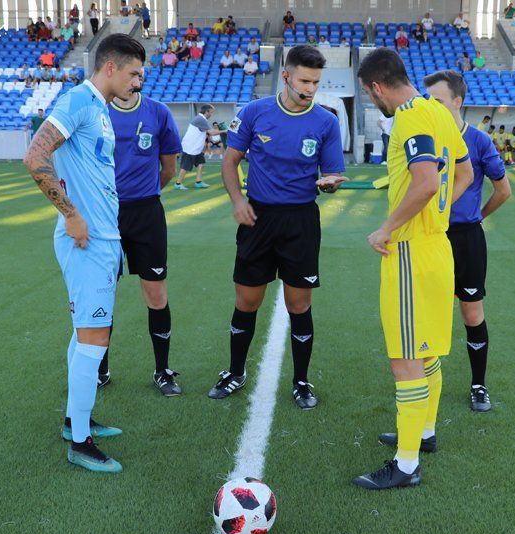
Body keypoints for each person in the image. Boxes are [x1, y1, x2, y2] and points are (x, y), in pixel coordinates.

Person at [22, 33, 145, 474]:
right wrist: (71, 214)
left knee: (87, 334)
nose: (138, 82)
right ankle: (80, 443)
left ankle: (77, 418)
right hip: (86, 242)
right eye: (134, 74)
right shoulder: (79, 100)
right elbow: (35, 156)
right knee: (95, 337)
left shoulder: (100, 109)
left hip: (104, 240)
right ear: (109, 67)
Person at [353, 50, 473, 490]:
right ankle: (424, 433)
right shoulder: (439, 112)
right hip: (436, 248)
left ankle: (405, 466)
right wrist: (437, 216)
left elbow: (425, 181)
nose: (373, 102)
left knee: (404, 359)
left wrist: (386, 228)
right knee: (426, 352)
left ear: (376, 87)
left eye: (370, 95)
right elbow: (464, 174)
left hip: (408, 253)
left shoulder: (407, 117)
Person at [213, 45, 346, 409]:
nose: (310, 88)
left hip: (301, 220)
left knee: (299, 304)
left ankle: (301, 381)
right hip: (258, 218)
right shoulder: (254, 113)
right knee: (247, 300)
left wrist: (331, 183)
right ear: (286, 76)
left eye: (316, 82)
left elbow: (333, 172)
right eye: (304, 80)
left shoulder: (326, 122)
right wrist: (238, 201)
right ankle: (236, 371)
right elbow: (230, 162)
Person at [425, 70, 511, 412]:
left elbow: (503, 191)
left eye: (438, 101)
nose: (431, 107)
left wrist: (476, 217)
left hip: (466, 239)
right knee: (429, 313)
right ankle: (425, 384)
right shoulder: (425, 139)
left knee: (472, 312)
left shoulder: (478, 141)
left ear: (457, 102)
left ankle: (478, 385)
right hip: (430, 237)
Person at [102, 61, 183, 394]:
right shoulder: (97, 113)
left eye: (140, 76)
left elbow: (168, 169)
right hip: (105, 215)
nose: (137, 81)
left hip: (147, 213)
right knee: (101, 294)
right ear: (114, 72)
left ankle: (162, 371)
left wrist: (145, 194)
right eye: (131, 74)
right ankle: (99, 369)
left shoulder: (158, 113)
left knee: (156, 293)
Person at [174, 104, 224, 189]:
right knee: (185, 167)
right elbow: (211, 132)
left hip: (195, 148)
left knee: (200, 163)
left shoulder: (201, 119)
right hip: (190, 148)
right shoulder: (201, 119)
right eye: (211, 112)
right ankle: (178, 184)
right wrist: (226, 130)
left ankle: (198, 182)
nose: (211, 114)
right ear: (206, 112)